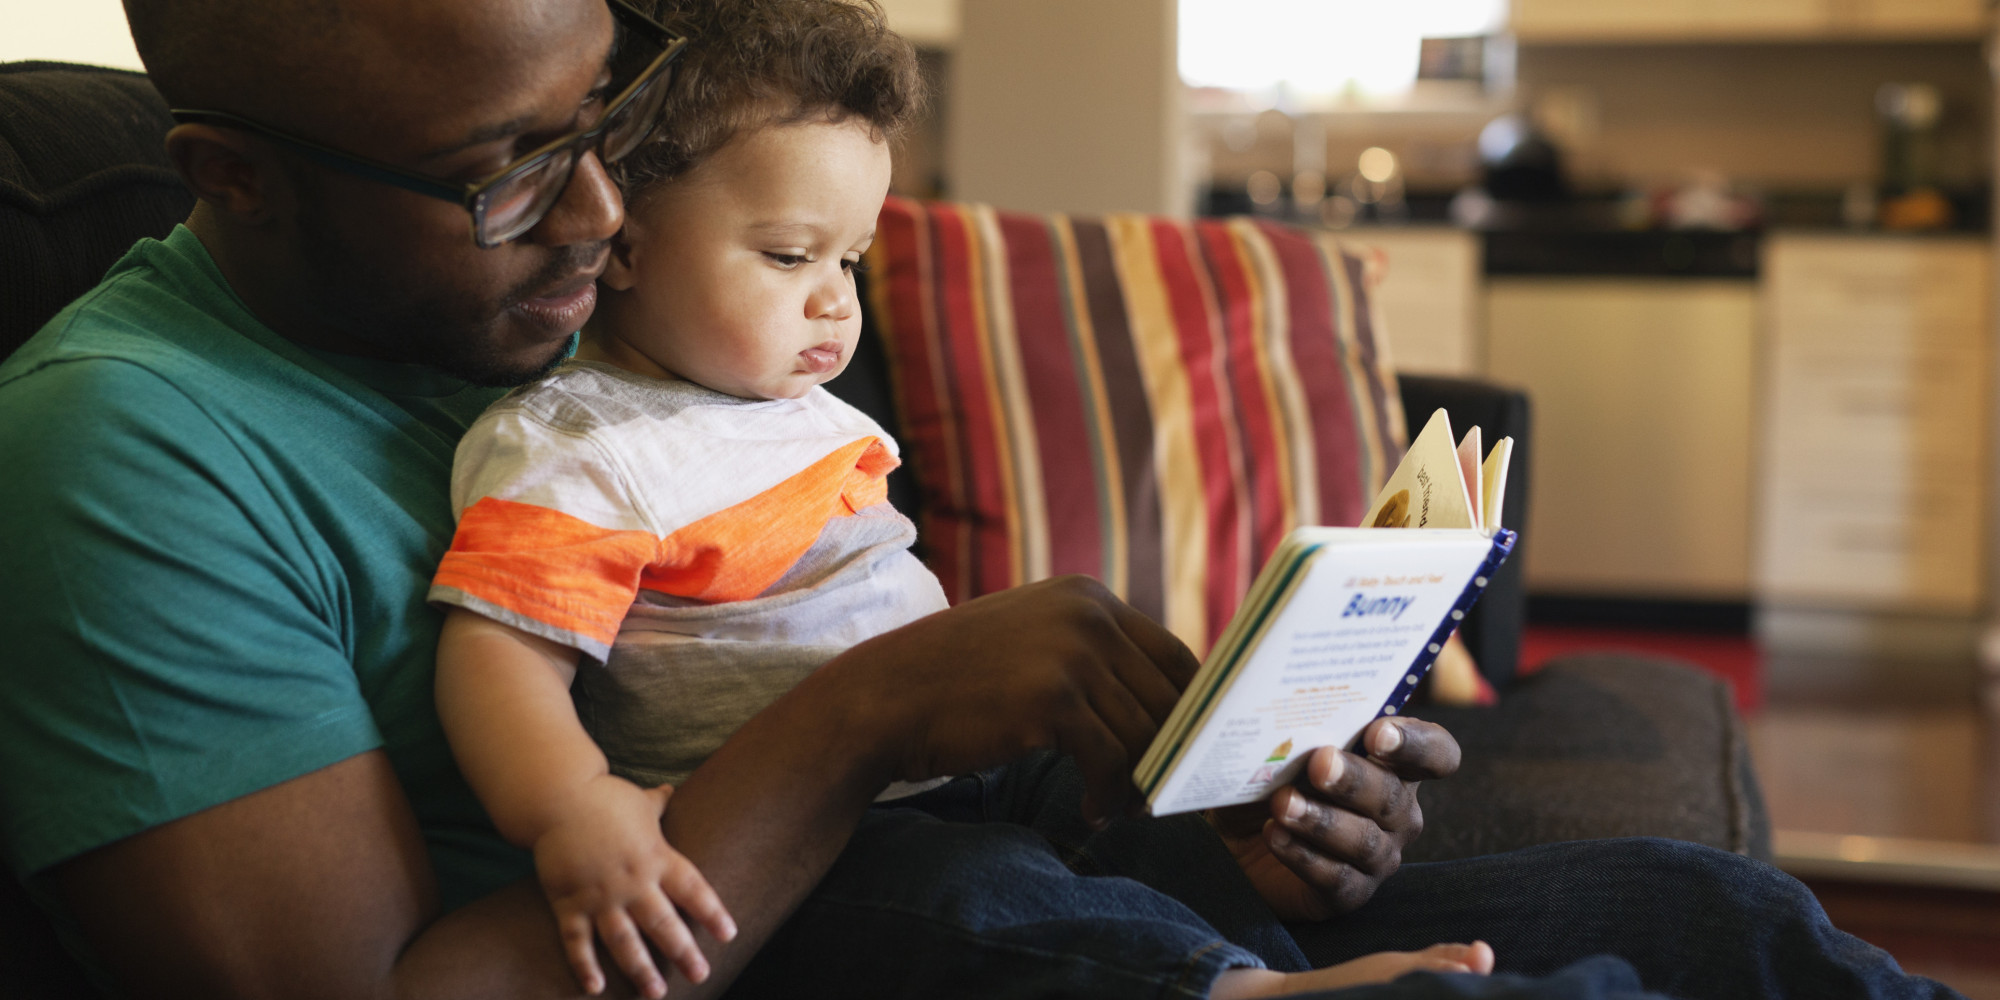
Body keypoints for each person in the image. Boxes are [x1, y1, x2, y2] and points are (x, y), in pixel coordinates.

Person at [0, 0, 1966, 996]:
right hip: (841, 944)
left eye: (600, 134)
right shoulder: (130, 448)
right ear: (232, 175)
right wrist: (875, 714)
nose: (600, 220)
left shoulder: (618, 323)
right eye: (510, 169)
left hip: (1028, 889)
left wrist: (1235, 809)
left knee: (1709, 910)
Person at [425, 2, 1493, 997]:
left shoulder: (798, 407)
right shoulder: (580, 443)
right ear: (622, 237)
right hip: (818, 837)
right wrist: (573, 810)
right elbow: (500, 653)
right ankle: (1229, 985)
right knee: (967, 896)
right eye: (789, 254)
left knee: (1128, 813)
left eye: (850, 255)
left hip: (954, 766)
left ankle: (1263, 927)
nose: (835, 297)